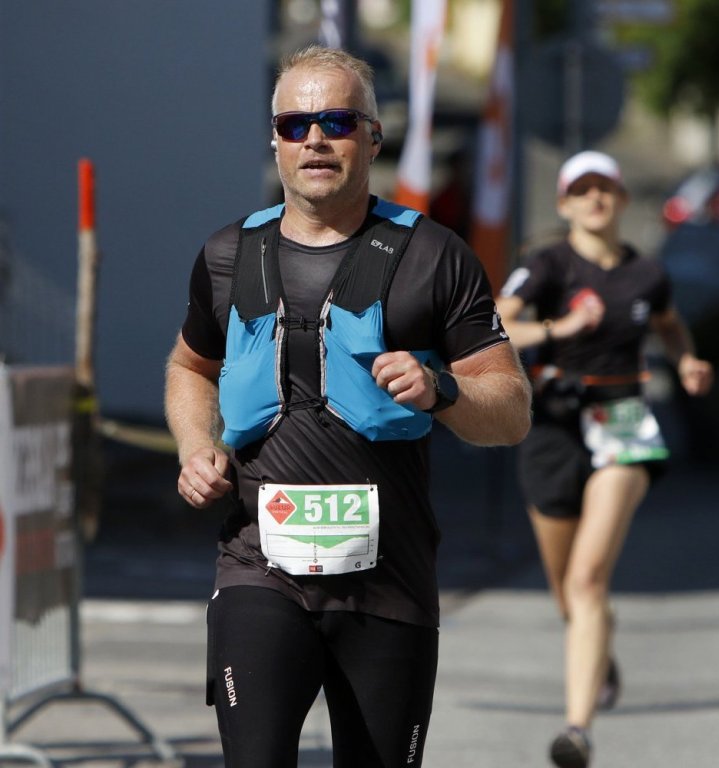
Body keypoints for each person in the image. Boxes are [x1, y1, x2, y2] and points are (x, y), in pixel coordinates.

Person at [164, 45, 532, 768]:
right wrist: (195, 445)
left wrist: (443, 389)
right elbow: (189, 367)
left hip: (388, 585)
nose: (315, 140)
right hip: (259, 569)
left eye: (336, 121)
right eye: (295, 125)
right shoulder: (228, 256)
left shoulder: (435, 257)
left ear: (373, 138)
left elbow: (512, 408)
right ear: (274, 140)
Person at [496, 150, 713, 768]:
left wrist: (686, 360)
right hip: (553, 426)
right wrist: (561, 329)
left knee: (589, 579)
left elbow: (669, 325)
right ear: (564, 204)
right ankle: (599, 655)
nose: (595, 199)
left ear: (621, 198)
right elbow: (497, 325)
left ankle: (577, 730)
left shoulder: (648, 272)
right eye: (582, 190)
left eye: (605, 188)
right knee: (567, 592)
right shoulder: (547, 265)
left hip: (623, 422)